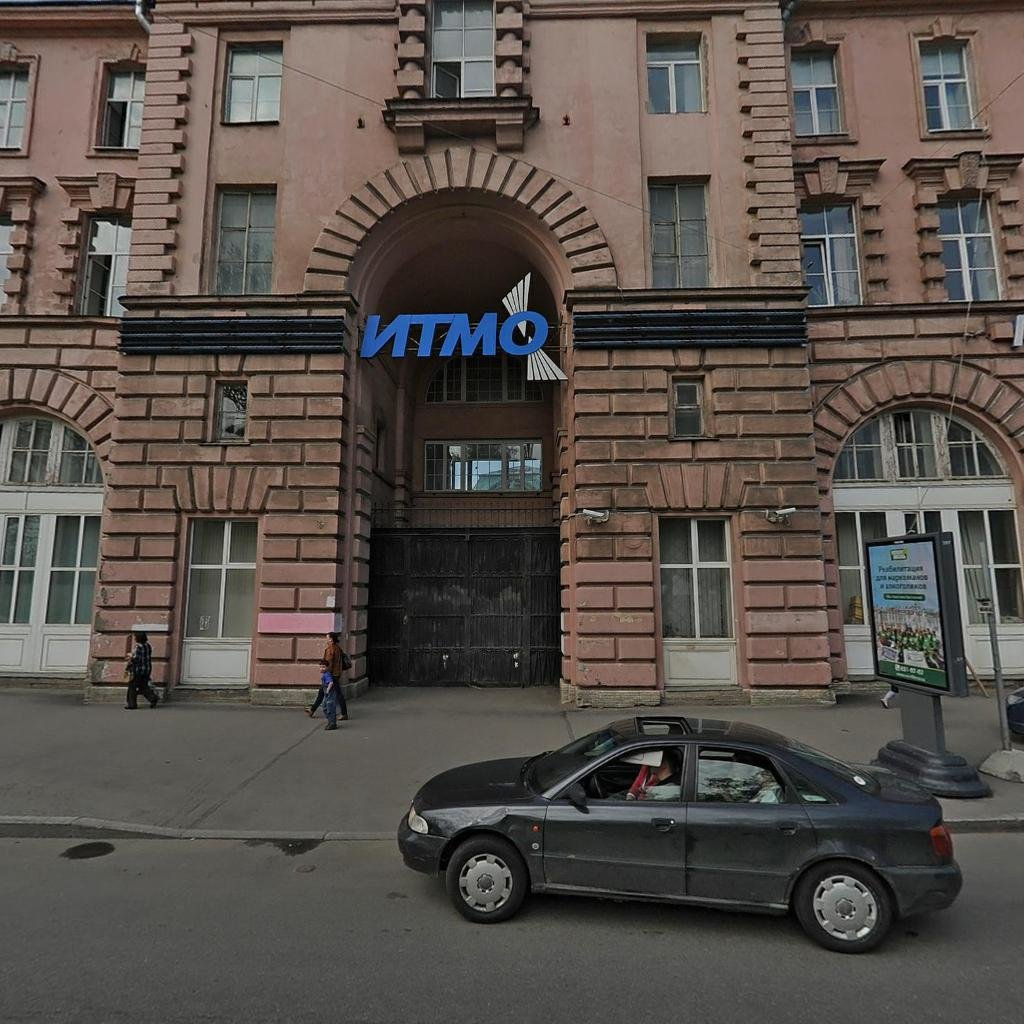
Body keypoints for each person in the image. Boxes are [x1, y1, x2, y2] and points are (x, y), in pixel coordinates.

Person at [306, 632, 349, 720]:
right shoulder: (338, 648)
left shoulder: (330, 650)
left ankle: (344, 714)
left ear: (331, 639)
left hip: (331, 675)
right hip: (336, 673)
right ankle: (312, 709)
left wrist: (325, 673)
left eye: (328, 638)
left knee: (337, 694)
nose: (326, 640)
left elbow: (328, 663)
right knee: (322, 691)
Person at [124, 630, 159, 710]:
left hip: (138, 670)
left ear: (138, 638)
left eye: (135, 637)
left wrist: (130, 657)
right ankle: (153, 698)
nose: (134, 638)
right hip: (147, 669)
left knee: (132, 687)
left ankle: (132, 704)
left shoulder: (138, 647)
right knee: (143, 686)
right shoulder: (148, 646)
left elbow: (137, 659)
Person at [317, 658, 338, 731]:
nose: (321, 668)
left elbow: (331, 683)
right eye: (320, 667)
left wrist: (327, 691)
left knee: (329, 708)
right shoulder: (325, 674)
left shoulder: (327, 674)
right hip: (327, 694)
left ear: (327, 667)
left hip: (330, 694)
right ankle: (330, 721)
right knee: (325, 707)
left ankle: (332, 723)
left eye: (323, 667)